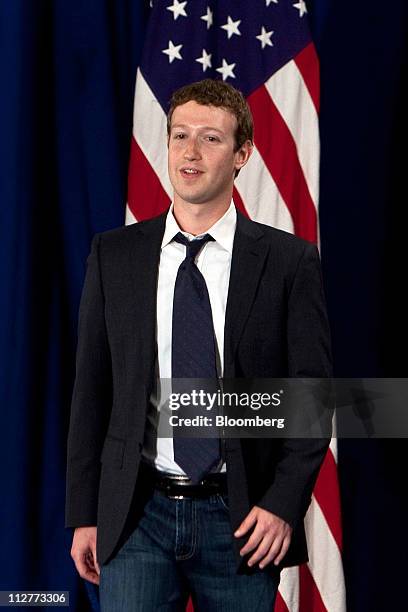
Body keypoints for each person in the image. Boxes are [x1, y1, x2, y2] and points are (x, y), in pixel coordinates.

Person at [66, 78, 332, 611]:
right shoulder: (114, 255)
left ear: (243, 155)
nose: (190, 152)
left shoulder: (288, 262)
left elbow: (311, 397)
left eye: (211, 138)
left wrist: (282, 503)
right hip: (136, 514)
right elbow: (91, 392)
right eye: (180, 135)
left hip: (239, 521)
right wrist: (84, 514)